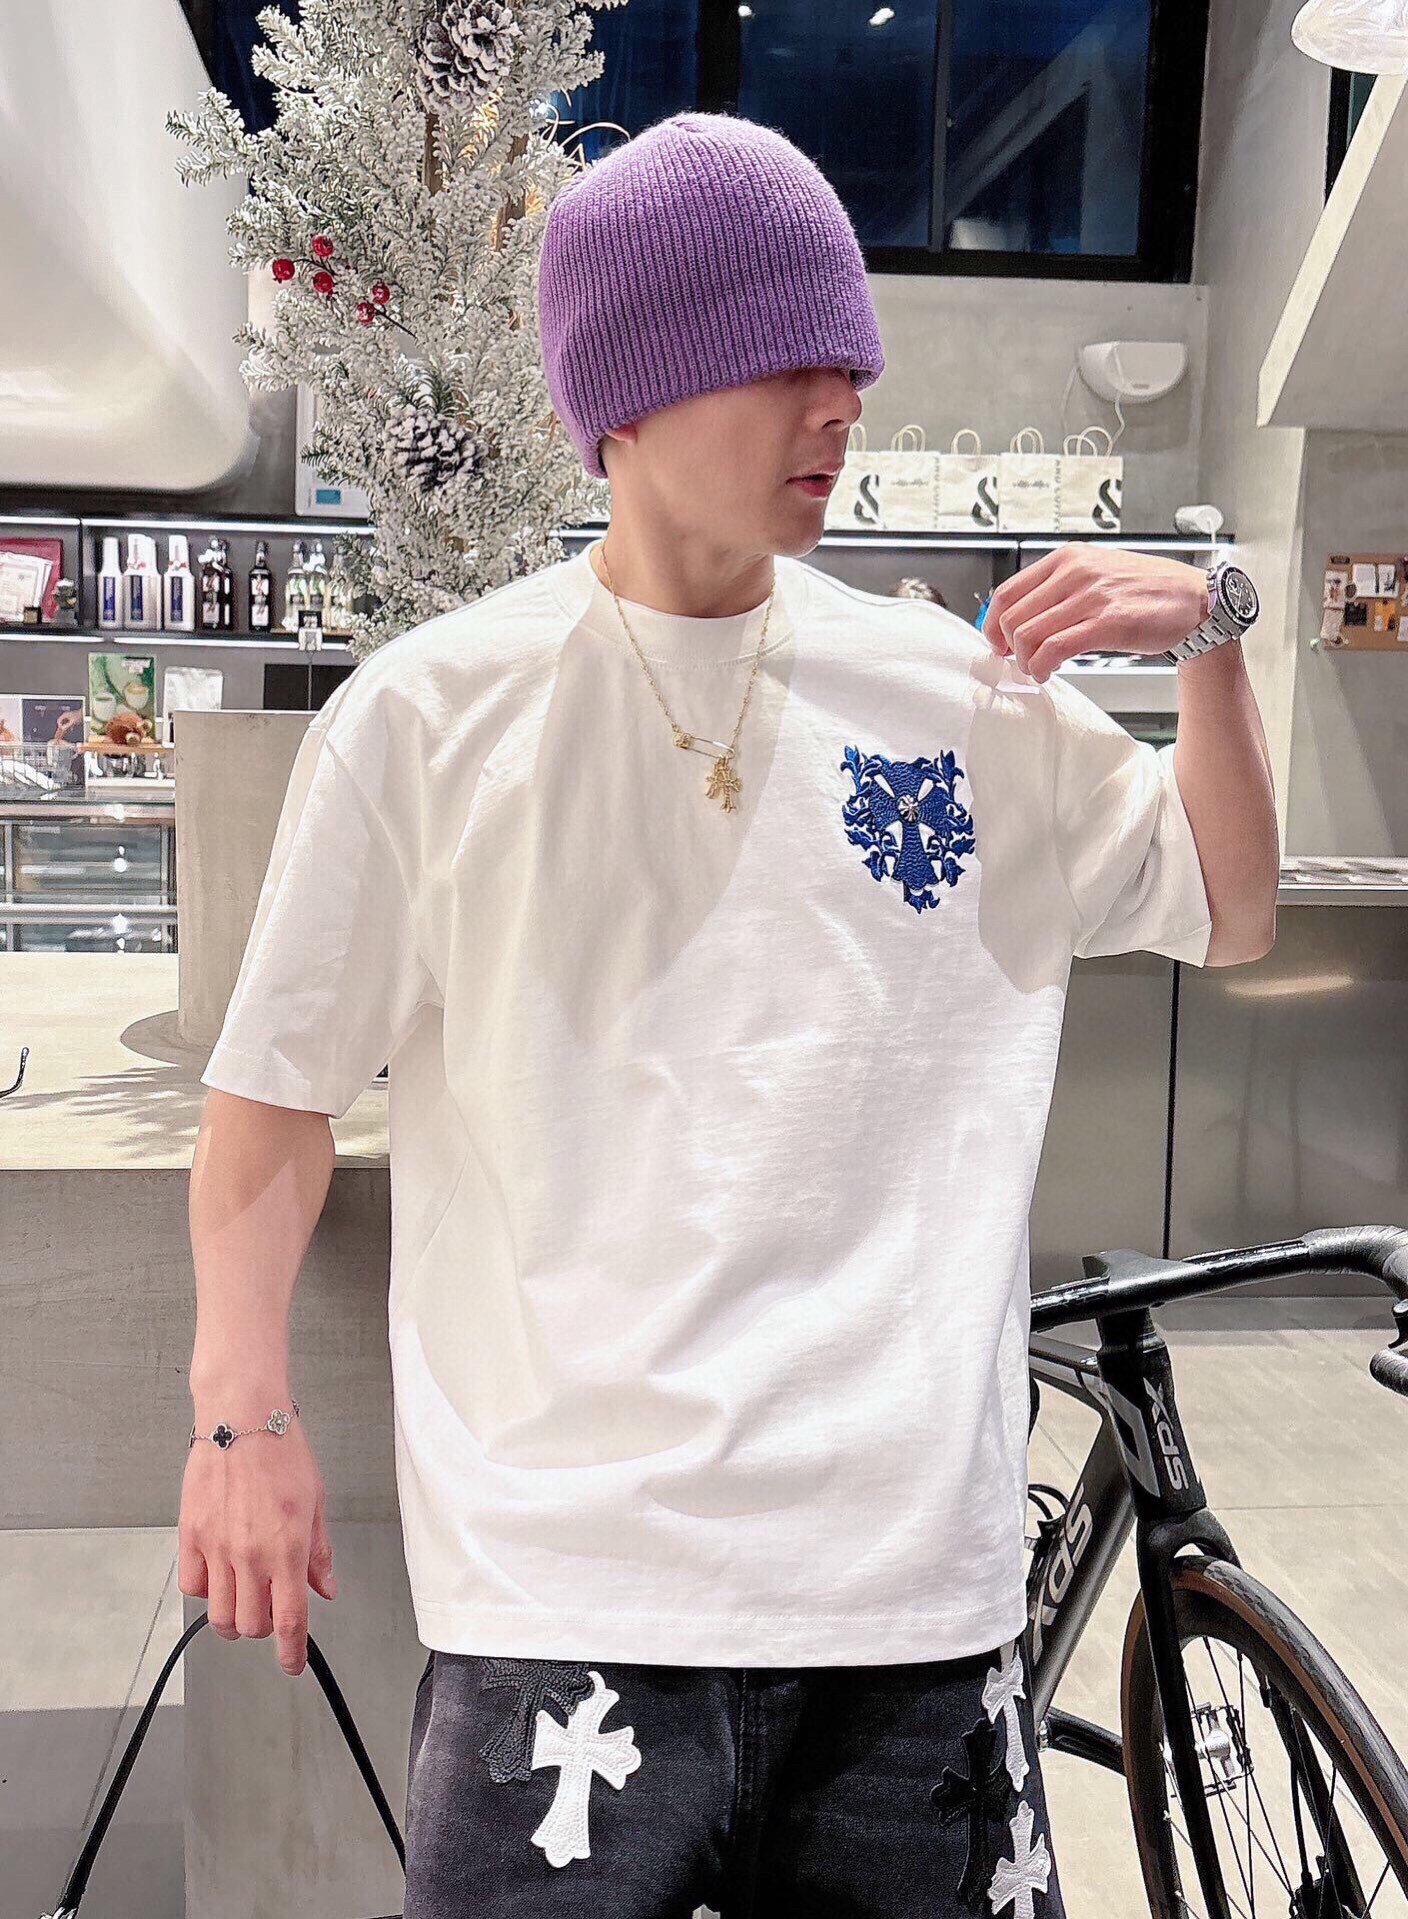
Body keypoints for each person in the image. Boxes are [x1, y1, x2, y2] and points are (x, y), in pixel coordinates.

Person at [181, 111, 1279, 1917]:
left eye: (851, 360)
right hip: (562, 1604)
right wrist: (242, 1421)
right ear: (625, 392)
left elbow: (1229, 909)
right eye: (786, 359)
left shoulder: (959, 699)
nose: (841, 401)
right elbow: (273, 1100)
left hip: (909, 1609)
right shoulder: (431, 719)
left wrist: (1216, 631)